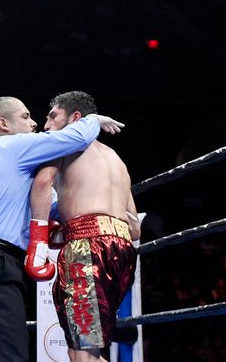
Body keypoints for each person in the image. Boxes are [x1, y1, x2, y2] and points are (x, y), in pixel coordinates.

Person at [0, 96, 124, 362]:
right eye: (25, 117)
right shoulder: (13, 146)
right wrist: (94, 119)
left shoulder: (12, 163)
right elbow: (73, 138)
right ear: (4, 124)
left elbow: (53, 205)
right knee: (7, 356)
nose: (35, 123)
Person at [28, 91, 140, 362]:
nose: (45, 125)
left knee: (82, 351)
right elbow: (135, 228)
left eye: (52, 116)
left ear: (76, 118)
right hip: (122, 251)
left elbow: (42, 184)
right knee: (86, 345)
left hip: (86, 247)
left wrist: (39, 240)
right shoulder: (116, 159)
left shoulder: (64, 145)